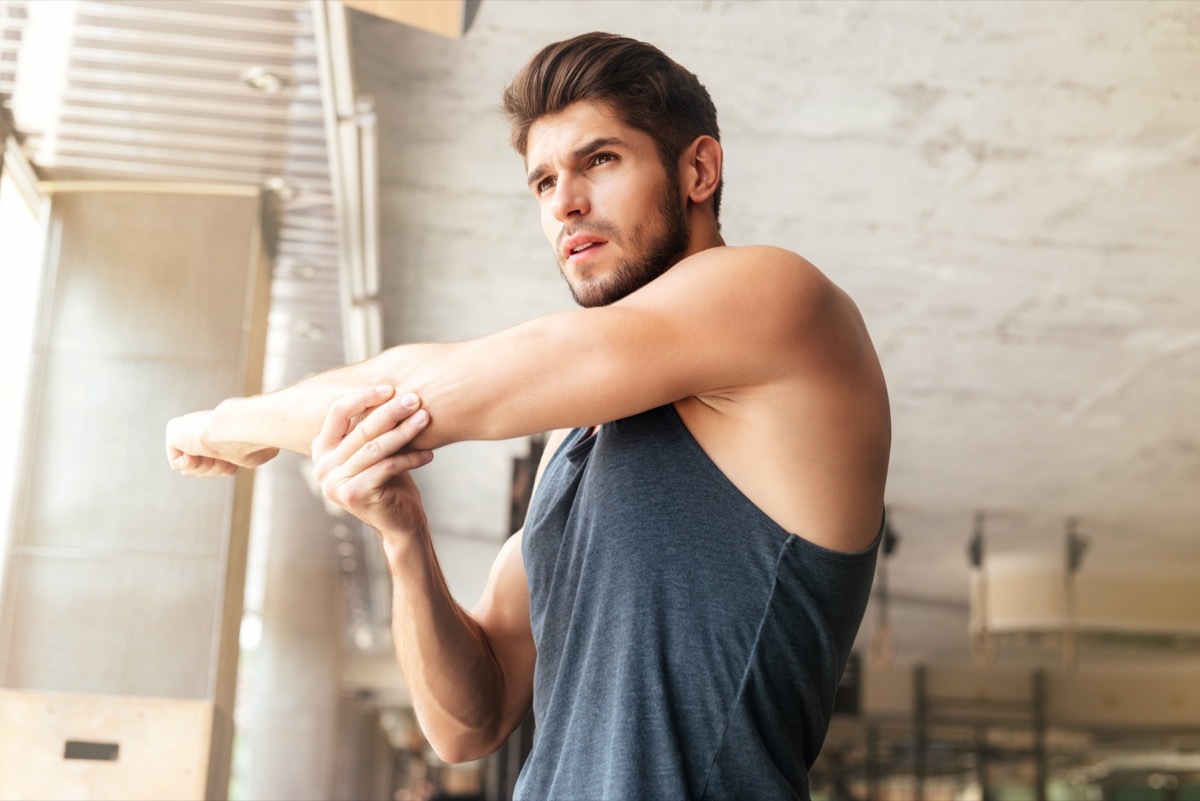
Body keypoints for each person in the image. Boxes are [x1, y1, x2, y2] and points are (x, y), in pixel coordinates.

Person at [166, 32, 890, 800]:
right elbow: (467, 724)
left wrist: (223, 424)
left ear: (698, 170)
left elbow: (407, 392)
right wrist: (403, 535)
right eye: (543, 182)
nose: (565, 202)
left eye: (599, 161)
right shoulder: (578, 441)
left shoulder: (776, 299)